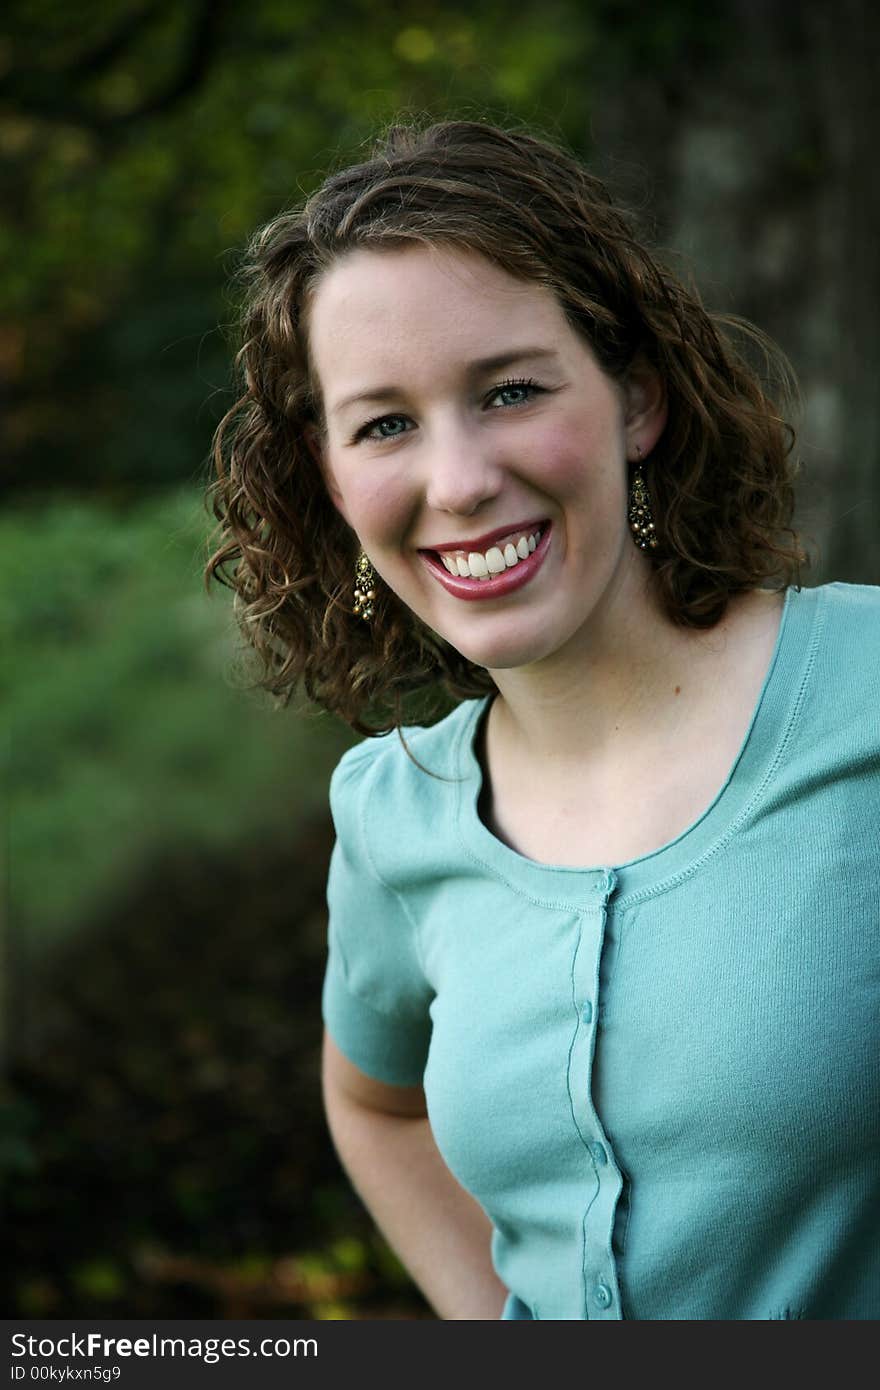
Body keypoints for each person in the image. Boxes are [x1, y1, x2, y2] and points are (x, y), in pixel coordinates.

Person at [206, 119, 880, 1320]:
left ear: (637, 401)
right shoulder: (391, 812)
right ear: (329, 472)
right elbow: (376, 1102)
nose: (458, 479)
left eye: (510, 390)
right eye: (385, 422)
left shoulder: (863, 692)